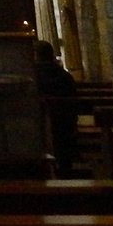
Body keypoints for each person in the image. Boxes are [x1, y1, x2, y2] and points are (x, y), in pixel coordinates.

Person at [35, 38, 78, 176]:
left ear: (36, 56)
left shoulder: (33, 77)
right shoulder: (65, 77)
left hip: (40, 131)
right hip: (65, 129)